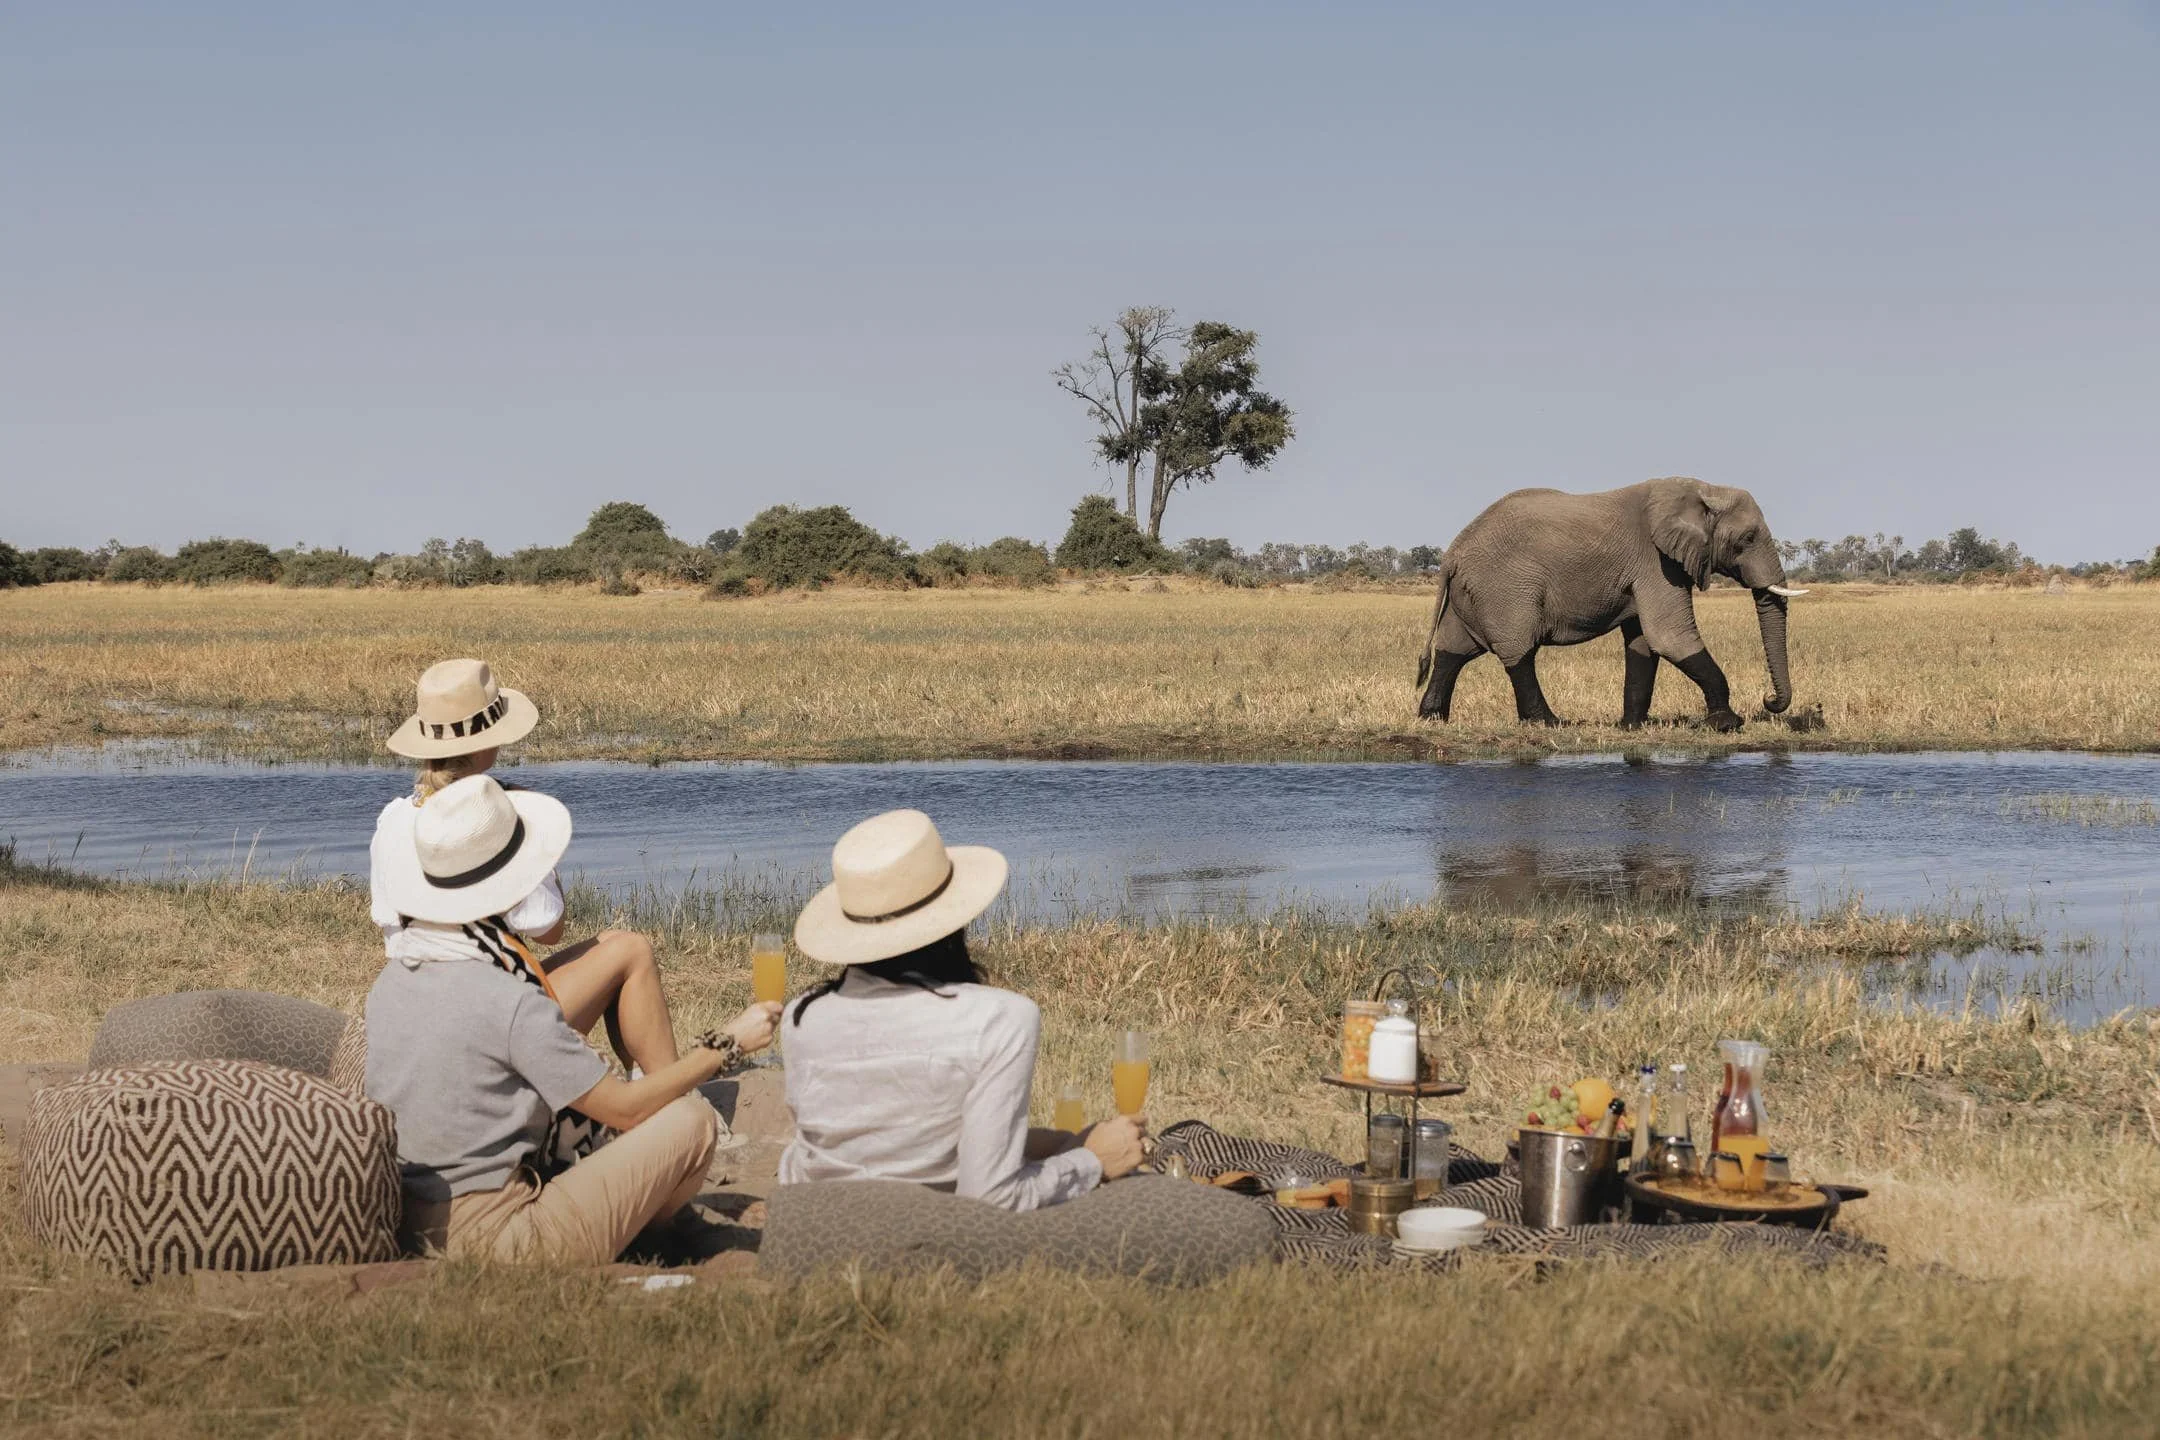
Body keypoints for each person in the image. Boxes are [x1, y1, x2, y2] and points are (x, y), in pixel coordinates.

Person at [366, 771, 781, 1262]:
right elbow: (626, 1108)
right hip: (500, 1238)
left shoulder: (394, 979)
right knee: (688, 1121)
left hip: (409, 1220)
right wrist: (726, 1044)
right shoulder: (508, 997)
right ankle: (662, 1231)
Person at [778, 808, 1147, 1210]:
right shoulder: (1002, 1018)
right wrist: (1092, 1162)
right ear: (952, 918)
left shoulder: (802, 1016)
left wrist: (1058, 1145)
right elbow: (991, 1196)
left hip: (813, 1220)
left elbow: (873, 1139)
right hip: (934, 1230)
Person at [370, 658, 684, 1079]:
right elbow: (550, 930)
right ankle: (672, 1094)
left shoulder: (393, 820)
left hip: (411, 1006)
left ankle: (643, 1082)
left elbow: (388, 923)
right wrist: (535, 844)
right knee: (632, 951)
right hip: (485, 1024)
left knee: (612, 941)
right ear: (487, 743)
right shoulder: (498, 820)